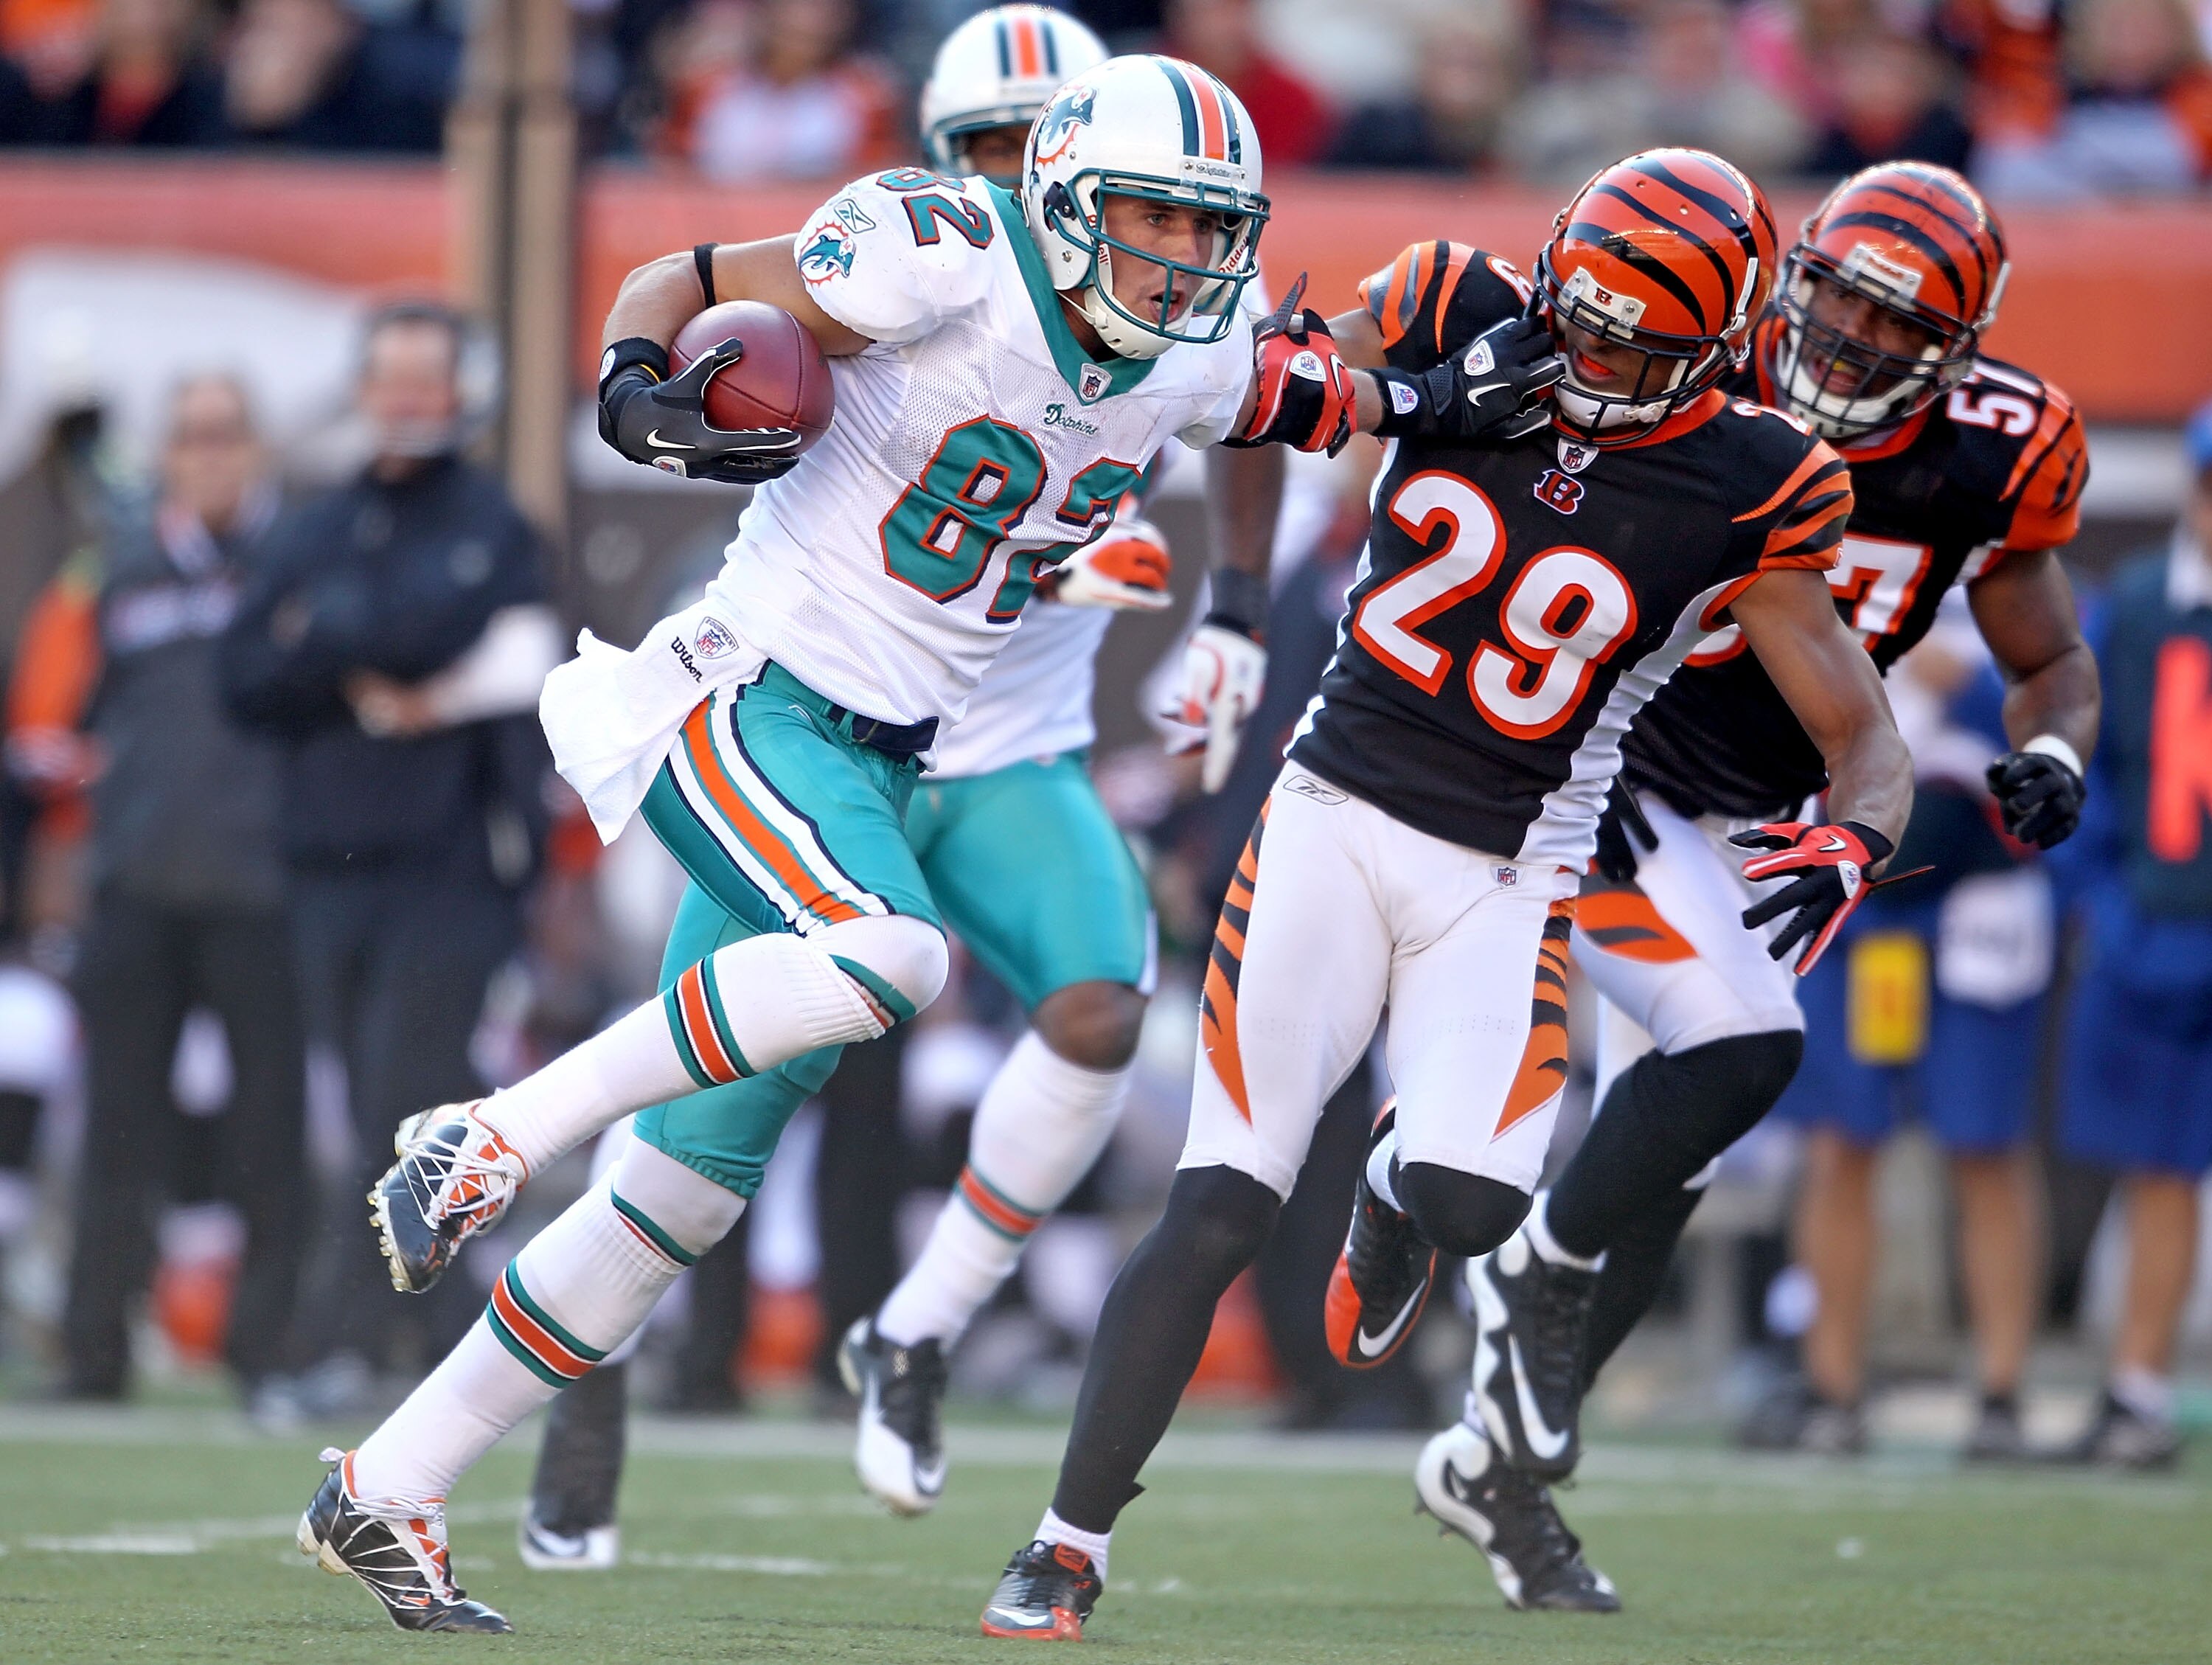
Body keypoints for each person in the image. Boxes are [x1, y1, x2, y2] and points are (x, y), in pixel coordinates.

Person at [293, 52, 1292, 1634]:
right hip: (751, 698)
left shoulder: (1195, 339)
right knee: (889, 956)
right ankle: (485, 1132)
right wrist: (635, 383)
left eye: (1204, 230)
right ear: (1057, 188)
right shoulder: (943, 242)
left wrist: (1450, 390)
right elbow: (670, 278)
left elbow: (1297, 393)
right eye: (1153, 221)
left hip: (877, 764)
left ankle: (390, 1483)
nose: (1180, 259)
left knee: (690, 1192)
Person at [978, 148, 1915, 1641]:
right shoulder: (1446, 300)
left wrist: (1860, 834)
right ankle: (1063, 1544)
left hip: (1516, 868)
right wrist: (1412, 393)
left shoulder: (1760, 483)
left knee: (1478, 1205)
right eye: (1585, 320)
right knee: (1220, 1204)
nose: (1597, 357)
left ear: (1718, 348)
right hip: (1332, 816)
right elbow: (1256, 386)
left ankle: (1396, 1195)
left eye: (1638, 343)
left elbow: (1864, 731)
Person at [1450, 163, 2096, 1607]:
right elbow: (1536, 528)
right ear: (1792, 282)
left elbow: (2047, 654)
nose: (1853, 348)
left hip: (1777, 818)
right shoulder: (1690, 342)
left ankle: (1501, 1462)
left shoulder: (1998, 453)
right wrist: (1558, 749)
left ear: (1958, 356)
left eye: (1894, 332)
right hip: (1614, 773)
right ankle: (1515, 1277)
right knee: (1731, 1051)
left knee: (1678, 1150)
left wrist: (2052, 743)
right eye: (1842, 308)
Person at [220, 305, 557, 1402]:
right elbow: (244, 678)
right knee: (360, 1104)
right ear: (362, 391)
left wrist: (333, 638)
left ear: (461, 392)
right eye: (391, 380)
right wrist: (365, 651)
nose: (409, 401)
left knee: (408, 1103)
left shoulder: (494, 521)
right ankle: (455, 1339)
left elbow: (502, 650)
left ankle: (356, 1341)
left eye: (428, 380)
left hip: (450, 864)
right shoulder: (315, 524)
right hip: (326, 862)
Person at [7, 373, 305, 1413]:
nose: (209, 455)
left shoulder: (292, 565)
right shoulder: (118, 575)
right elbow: (60, 734)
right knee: (115, 1129)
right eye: (190, 438)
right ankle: (95, 1349)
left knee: (271, 1129)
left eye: (225, 435)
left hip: (266, 884)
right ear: (167, 454)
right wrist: (73, 863)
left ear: (255, 448)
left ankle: (267, 1351)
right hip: (137, 883)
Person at [1747, 625, 2054, 1460]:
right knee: (1845, 1141)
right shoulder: (1826, 537)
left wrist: (1978, 690)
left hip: (1978, 909)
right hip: (1863, 910)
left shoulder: (2002, 549)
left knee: (1985, 1146)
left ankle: (2000, 1388)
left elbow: (2065, 695)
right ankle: (1832, 1384)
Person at [2046, 399, 2212, 1469]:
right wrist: (2101, 897)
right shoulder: (2141, 606)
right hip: (2157, 925)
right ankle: (2136, 1385)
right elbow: (2080, 754)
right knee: (2152, 1162)